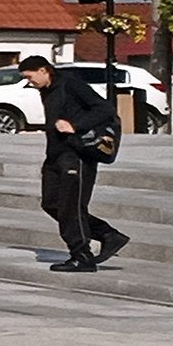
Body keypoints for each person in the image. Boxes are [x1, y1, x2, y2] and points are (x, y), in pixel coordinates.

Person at [28, 54, 129, 271]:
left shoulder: (71, 84)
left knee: (71, 207)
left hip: (77, 154)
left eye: (31, 76)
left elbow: (105, 109)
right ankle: (108, 235)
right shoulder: (47, 90)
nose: (30, 81)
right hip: (56, 155)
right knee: (51, 203)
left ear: (44, 70)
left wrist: (75, 125)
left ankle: (82, 256)